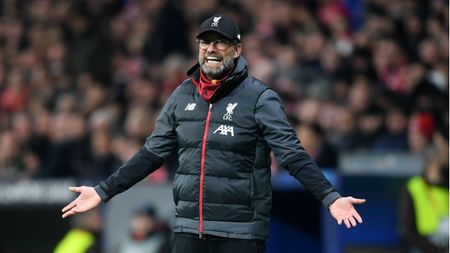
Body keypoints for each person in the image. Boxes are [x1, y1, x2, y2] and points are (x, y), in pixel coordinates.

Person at [62, 14, 366, 253]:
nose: (211, 49)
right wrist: (104, 191)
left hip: (241, 232)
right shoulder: (181, 95)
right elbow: (151, 154)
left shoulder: (261, 98)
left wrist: (330, 197)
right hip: (188, 229)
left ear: (236, 49)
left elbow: (292, 154)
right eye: (205, 42)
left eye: (220, 42)